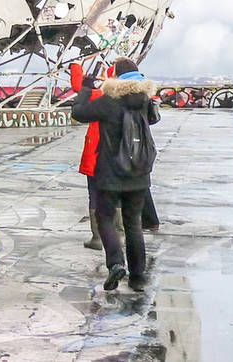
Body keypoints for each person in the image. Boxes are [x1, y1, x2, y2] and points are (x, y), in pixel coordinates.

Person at [71, 59, 160, 291]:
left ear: (116, 78)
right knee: (133, 224)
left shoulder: (109, 101)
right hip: (139, 173)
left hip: (110, 172)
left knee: (106, 219)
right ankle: (138, 275)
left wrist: (85, 89)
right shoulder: (144, 100)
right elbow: (152, 119)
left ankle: (115, 263)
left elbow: (79, 113)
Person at [71, 58, 114, 250]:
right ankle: (119, 234)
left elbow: (78, 89)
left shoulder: (98, 96)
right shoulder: (129, 98)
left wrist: (77, 66)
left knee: (94, 195)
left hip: (96, 153)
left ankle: (97, 238)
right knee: (118, 195)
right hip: (119, 157)